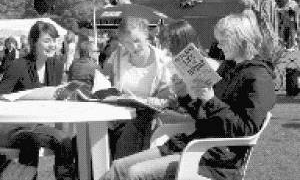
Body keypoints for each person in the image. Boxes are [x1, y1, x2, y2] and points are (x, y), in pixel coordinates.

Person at [99, 13, 276, 180]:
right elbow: (204, 116)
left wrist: (211, 101)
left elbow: (246, 129)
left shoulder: (258, 77)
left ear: (240, 40)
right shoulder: (228, 68)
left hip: (215, 159)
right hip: (191, 144)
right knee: (118, 166)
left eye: (223, 41)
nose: (218, 46)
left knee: (135, 173)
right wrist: (185, 95)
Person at [0, 21, 76, 180]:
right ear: (34, 42)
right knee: (31, 141)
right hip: (11, 127)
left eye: (54, 40)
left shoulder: (56, 65)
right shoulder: (17, 65)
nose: (52, 45)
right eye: (47, 40)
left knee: (65, 140)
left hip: (36, 126)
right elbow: (1, 95)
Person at [103, 16, 173, 160]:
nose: (133, 47)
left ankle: (118, 172)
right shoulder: (117, 57)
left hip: (150, 117)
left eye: (137, 41)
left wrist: (147, 101)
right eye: (127, 43)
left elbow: (169, 98)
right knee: (87, 137)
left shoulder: (163, 61)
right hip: (119, 116)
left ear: (146, 35)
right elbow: (105, 79)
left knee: (130, 132)